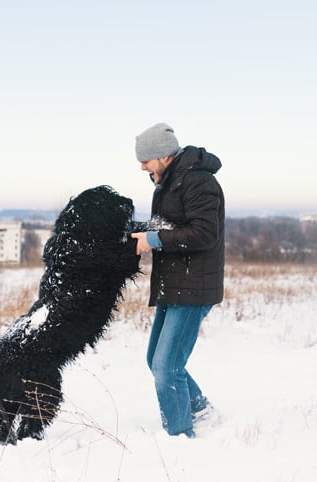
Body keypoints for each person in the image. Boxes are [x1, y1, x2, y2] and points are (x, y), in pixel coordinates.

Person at [130, 122, 225, 438]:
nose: (142, 166)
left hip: (193, 286)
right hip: (174, 284)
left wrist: (154, 239)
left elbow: (204, 233)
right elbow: (166, 224)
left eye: (146, 160)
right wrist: (135, 230)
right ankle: (201, 411)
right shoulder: (169, 182)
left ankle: (181, 436)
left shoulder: (199, 182)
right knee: (155, 360)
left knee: (166, 367)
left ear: (163, 155)